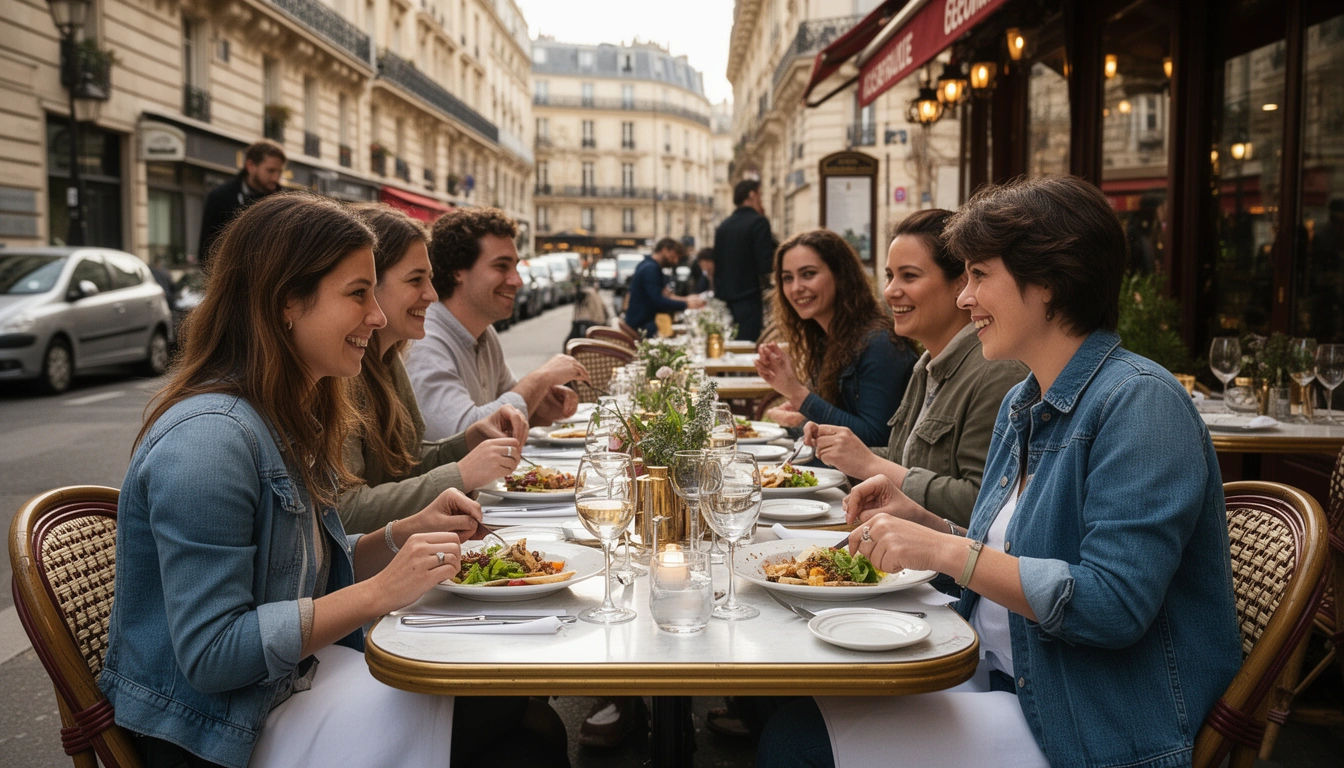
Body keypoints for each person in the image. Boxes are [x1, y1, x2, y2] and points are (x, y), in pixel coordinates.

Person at [757, 176, 1241, 768]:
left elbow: (1113, 605)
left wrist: (942, 550)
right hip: (1002, 676)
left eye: (980, 275)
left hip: (1083, 719)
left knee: (796, 744)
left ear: (1049, 283)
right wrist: (925, 522)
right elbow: (1011, 554)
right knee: (795, 697)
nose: (965, 298)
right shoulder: (1027, 399)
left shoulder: (1141, 403)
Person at [100, 193, 569, 768]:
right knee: (519, 726)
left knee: (524, 717)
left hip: (286, 687)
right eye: (357, 293)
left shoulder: (281, 412)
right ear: (285, 304)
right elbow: (214, 652)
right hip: (220, 732)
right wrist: (380, 590)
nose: (377, 315)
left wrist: (401, 536)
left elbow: (296, 568)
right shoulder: (208, 440)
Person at [804, 210, 1027, 527]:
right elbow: (907, 458)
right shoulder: (926, 367)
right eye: (889, 276)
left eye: (909, 276)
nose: (891, 291)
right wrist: (844, 448)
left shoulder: (997, 372)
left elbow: (984, 503)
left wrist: (867, 463)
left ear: (960, 285)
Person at [339, 204, 529, 535]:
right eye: (416, 280)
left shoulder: (388, 356)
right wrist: (462, 472)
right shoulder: (340, 370)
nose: (431, 294)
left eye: (429, 278)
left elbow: (405, 464)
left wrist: (467, 441)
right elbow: (344, 512)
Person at [405, 207, 588, 439]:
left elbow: (509, 407)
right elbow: (460, 436)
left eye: (515, 267)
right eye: (501, 266)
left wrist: (543, 403)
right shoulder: (424, 340)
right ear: (457, 272)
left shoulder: (485, 333)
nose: (517, 280)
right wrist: (541, 378)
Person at [753, 229, 916, 447]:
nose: (796, 288)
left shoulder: (879, 343)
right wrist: (803, 417)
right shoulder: (825, 338)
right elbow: (842, 424)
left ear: (840, 275)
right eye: (787, 278)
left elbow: (876, 439)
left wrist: (797, 394)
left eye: (808, 274)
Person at [197, 139, 285, 268]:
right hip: (231, 280)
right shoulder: (220, 197)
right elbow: (207, 250)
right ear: (250, 166)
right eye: (270, 171)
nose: (275, 178)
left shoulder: (283, 202)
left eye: (279, 172)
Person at [713, 179, 776, 340]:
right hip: (749, 295)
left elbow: (717, 263)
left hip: (726, 298)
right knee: (748, 344)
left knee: (731, 343)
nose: (762, 200)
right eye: (760, 195)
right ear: (752, 194)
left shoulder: (723, 226)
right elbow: (765, 264)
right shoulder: (759, 222)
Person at [624, 238, 706, 336]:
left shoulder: (648, 264)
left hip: (642, 322)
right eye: (673, 256)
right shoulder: (651, 269)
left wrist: (686, 299)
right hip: (642, 325)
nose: (675, 261)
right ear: (665, 250)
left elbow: (665, 294)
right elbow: (658, 300)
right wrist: (686, 304)